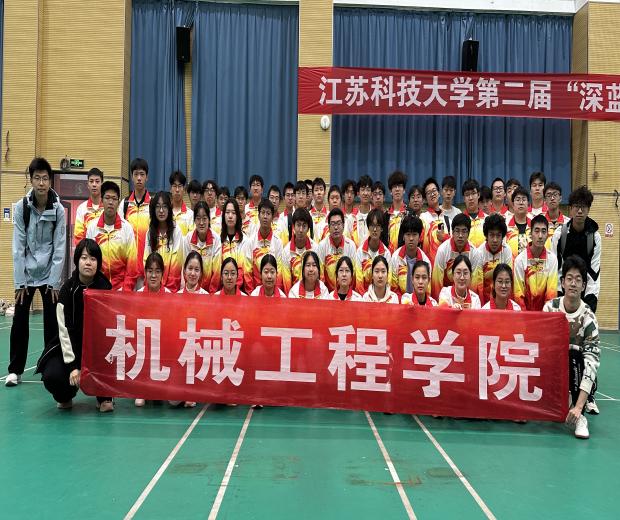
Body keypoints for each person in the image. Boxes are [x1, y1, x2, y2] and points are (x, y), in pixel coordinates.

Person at [7, 157, 66, 388]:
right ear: (31, 180)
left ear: (50, 181)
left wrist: (54, 282)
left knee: (52, 323)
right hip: (28, 274)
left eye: (45, 178)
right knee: (19, 321)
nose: (41, 183)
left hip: (49, 274)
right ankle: (15, 370)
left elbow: (59, 246)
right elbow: (18, 247)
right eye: (37, 178)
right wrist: (19, 282)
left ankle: (48, 367)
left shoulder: (58, 209)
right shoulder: (21, 208)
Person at [36, 239, 113, 411]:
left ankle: (104, 396)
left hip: (96, 349)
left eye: (93, 259)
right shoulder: (67, 290)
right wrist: (72, 366)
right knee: (52, 375)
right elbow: (64, 331)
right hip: (70, 346)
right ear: (77, 260)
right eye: (84, 258)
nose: (88, 262)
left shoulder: (106, 289)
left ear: (98, 263)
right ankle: (66, 395)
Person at [543, 255, 600, 439]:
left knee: (574, 355)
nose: (573, 283)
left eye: (578, 279)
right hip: (555, 370)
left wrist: (579, 406)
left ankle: (579, 415)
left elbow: (591, 363)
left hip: (577, 371)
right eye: (569, 278)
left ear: (583, 286)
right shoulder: (550, 309)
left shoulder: (588, 318)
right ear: (562, 283)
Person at [551, 185, 601, 313]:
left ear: (588, 209)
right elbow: (555, 269)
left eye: (583, 207)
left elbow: (594, 273)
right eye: (576, 206)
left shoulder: (595, 237)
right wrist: (559, 298)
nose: (579, 211)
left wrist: (590, 304)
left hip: (585, 293)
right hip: (563, 292)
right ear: (571, 209)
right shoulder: (559, 234)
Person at [86, 181, 138, 291]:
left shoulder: (127, 228)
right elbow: (88, 260)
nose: (110, 202)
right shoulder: (92, 228)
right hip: (98, 289)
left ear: (118, 202)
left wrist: (125, 290)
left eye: (114, 199)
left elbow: (132, 265)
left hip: (121, 290)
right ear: (101, 200)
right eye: (107, 198)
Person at [135, 252, 170, 407]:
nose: (153, 275)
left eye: (157, 271)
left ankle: (160, 385)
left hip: (163, 343)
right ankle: (141, 388)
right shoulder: (137, 296)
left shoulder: (170, 296)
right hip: (144, 343)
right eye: (150, 271)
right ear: (145, 273)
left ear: (163, 273)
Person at [143, 191, 187, 293]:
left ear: (169, 209)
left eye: (164, 207)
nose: (161, 211)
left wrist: (167, 290)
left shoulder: (176, 231)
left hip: (171, 289)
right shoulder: (150, 232)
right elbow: (146, 260)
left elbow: (176, 264)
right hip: (153, 286)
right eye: (158, 207)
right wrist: (154, 285)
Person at [514, 214, 558, 311]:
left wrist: (544, 316)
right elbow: (518, 294)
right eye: (537, 231)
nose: (540, 236)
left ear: (547, 234)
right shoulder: (520, 260)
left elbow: (551, 294)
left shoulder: (552, 259)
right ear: (530, 234)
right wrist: (525, 317)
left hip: (545, 315)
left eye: (543, 231)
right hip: (524, 315)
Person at [431, 214, 480, 300]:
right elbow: (437, 282)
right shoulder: (442, 250)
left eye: (464, 231)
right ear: (452, 232)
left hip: (465, 296)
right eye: (457, 231)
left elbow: (473, 284)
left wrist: (469, 302)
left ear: (468, 233)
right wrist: (440, 304)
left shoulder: (474, 253)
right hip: (446, 296)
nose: (460, 235)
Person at [120, 158, 151, 281]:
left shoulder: (153, 205)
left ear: (147, 177)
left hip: (148, 269)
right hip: (128, 270)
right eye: (136, 174)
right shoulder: (124, 204)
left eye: (142, 174)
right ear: (131, 177)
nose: (139, 178)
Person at [243, 199, 284, 293]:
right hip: (255, 293)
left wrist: (275, 293)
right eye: (263, 213)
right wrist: (251, 293)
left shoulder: (278, 242)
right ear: (258, 216)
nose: (265, 216)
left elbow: (279, 272)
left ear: (272, 217)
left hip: (273, 293)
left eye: (268, 213)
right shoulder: (250, 242)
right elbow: (247, 272)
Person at [474, 214, 513, 305]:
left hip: (502, 300)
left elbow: (509, 280)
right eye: (491, 235)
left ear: (503, 236)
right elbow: (479, 285)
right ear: (486, 235)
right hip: (484, 301)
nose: (495, 240)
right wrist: (482, 306)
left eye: (498, 235)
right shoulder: (479, 252)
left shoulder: (507, 250)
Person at [184, 201, 222, 293]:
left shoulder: (216, 239)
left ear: (209, 220)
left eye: (204, 218)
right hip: (191, 290)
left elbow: (216, 272)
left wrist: (211, 294)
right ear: (194, 220)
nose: (201, 223)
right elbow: (185, 268)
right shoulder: (188, 238)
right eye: (198, 218)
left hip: (210, 291)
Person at [317, 208, 357, 292]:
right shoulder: (322, 246)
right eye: (333, 224)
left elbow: (353, 274)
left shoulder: (351, 245)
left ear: (343, 225)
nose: (336, 227)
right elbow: (321, 276)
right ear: (328, 227)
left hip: (346, 292)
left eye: (338, 223)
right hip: (327, 294)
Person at [390, 215, 431, 297]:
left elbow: (426, 292)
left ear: (419, 237)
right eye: (408, 234)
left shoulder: (425, 261)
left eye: (414, 234)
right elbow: (394, 289)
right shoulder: (395, 258)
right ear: (403, 236)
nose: (411, 238)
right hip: (400, 301)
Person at [354, 209, 392, 295]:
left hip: (382, 297)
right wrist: (366, 299)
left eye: (378, 226)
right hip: (364, 298)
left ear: (382, 228)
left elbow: (388, 283)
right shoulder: (360, 252)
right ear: (368, 227)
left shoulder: (386, 253)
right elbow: (359, 283)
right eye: (372, 225)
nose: (375, 229)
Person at [281, 208, 317, 294]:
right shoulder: (286, 251)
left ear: (308, 228)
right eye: (298, 225)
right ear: (293, 226)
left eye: (304, 226)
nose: (301, 230)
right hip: (293, 295)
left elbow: (318, 278)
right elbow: (287, 283)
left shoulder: (315, 249)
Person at [220, 198, 251, 293]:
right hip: (221, 289)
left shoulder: (245, 241)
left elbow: (246, 270)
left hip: (239, 291)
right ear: (223, 215)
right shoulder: (218, 240)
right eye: (227, 212)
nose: (230, 216)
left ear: (238, 216)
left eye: (233, 213)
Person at [420, 177, 447, 265]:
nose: (432, 194)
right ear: (425, 199)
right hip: (428, 266)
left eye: (434, 191)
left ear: (439, 193)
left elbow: (452, 243)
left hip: (445, 266)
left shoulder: (447, 220)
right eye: (428, 193)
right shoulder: (423, 218)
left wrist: (444, 237)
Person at [73, 167, 104, 245]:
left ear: (102, 184)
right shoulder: (81, 209)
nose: (94, 184)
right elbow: (78, 236)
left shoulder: (108, 207)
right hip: (87, 251)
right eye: (91, 181)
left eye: (97, 181)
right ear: (88, 185)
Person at [505, 186, 531, 260]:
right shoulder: (505, 226)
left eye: (524, 199)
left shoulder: (534, 226)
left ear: (528, 204)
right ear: (513, 204)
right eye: (518, 200)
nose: (521, 203)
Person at [386, 171, 408, 253]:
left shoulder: (410, 214)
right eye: (394, 186)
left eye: (400, 186)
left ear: (404, 190)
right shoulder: (385, 216)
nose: (397, 189)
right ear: (390, 191)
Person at [461, 179, 486, 247]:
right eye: (467, 195)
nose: (470, 198)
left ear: (478, 195)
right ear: (464, 198)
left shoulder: (487, 219)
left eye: (473, 193)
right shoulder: (459, 221)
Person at [169, 170, 194, 236]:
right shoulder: (165, 212)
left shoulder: (190, 214)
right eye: (174, 186)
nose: (177, 190)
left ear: (184, 190)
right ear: (170, 189)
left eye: (180, 186)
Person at [543, 181, 566, 249]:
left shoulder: (568, 223)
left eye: (555, 195)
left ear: (560, 198)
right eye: (549, 195)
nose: (552, 198)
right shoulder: (539, 222)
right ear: (544, 200)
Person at [352, 174, 373, 246]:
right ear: (358, 193)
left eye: (368, 190)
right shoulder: (352, 217)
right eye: (363, 189)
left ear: (371, 194)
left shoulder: (375, 216)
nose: (365, 193)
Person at [341, 179, 358, 244]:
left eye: (352, 193)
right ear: (343, 194)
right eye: (347, 192)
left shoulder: (358, 215)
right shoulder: (339, 214)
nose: (349, 195)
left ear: (355, 195)